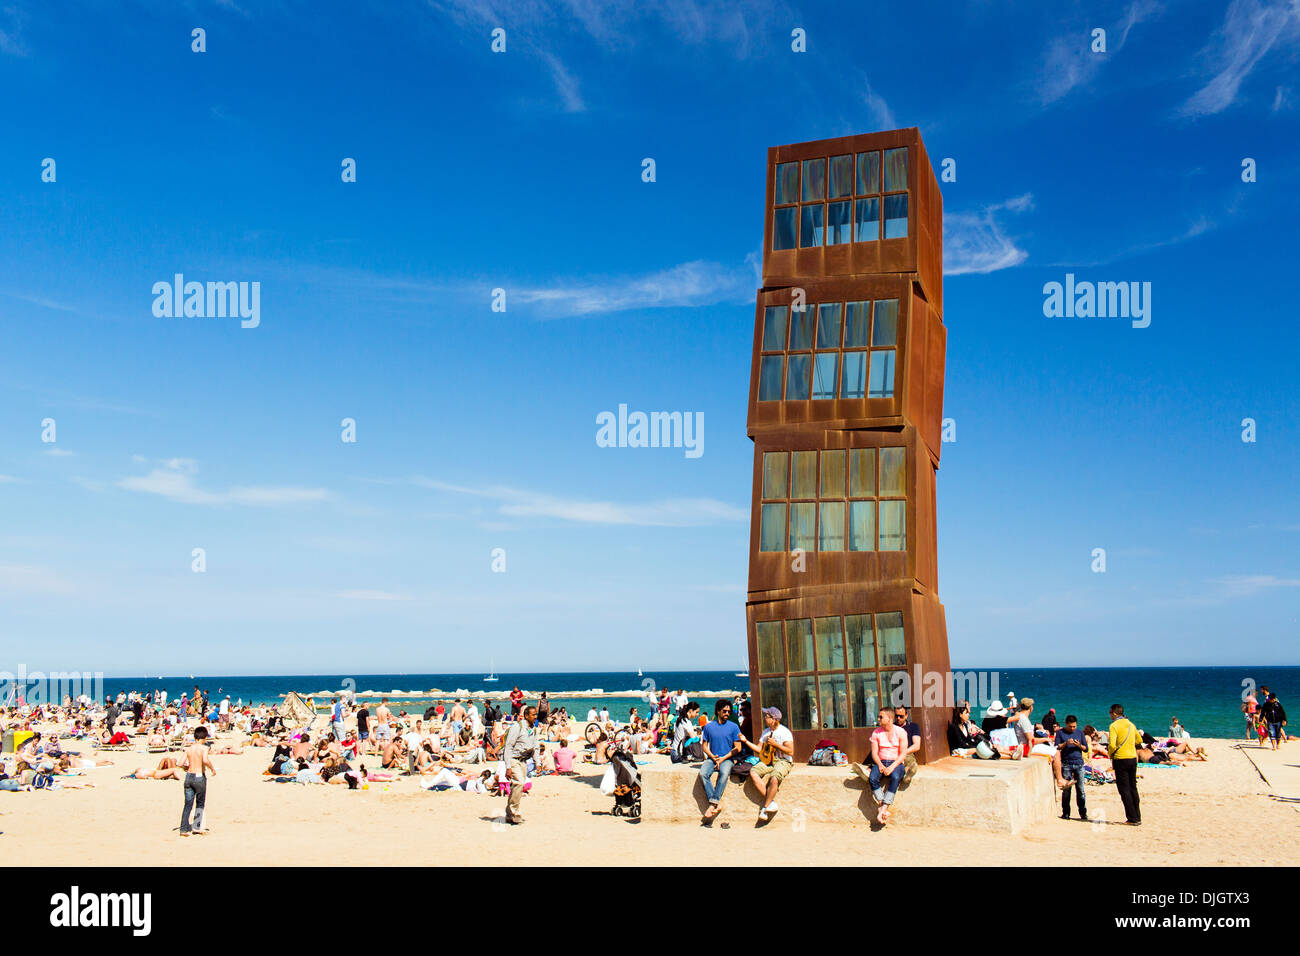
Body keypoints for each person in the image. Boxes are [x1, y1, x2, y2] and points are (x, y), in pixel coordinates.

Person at [854, 707, 908, 824]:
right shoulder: (876, 732)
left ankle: (883, 808)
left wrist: (892, 767)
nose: (878, 719)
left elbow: (903, 753)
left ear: (889, 718)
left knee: (895, 777)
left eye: (881, 717)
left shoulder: (901, 732)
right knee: (872, 778)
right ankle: (882, 803)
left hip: (896, 762)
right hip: (881, 761)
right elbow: (874, 753)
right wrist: (880, 765)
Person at [740, 706, 794, 822]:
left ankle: (765, 808)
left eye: (767, 716)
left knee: (774, 778)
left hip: (783, 761)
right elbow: (759, 749)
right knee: (753, 772)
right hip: (768, 760)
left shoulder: (784, 732)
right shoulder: (765, 732)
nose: (765, 718)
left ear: (774, 719)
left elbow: (791, 751)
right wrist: (746, 741)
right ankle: (771, 802)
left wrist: (776, 745)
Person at [698, 699, 741, 823]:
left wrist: (723, 758)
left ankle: (713, 804)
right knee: (703, 774)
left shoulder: (734, 727)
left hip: (727, 758)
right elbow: (704, 746)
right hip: (713, 758)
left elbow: (738, 748)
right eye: (724, 711)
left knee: (724, 774)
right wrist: (713, 757)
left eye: (729, 711)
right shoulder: (709, 727)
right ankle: (716, 803)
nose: (727, 713)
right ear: (718, 711)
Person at [503, 705, 538, 824]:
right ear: (526, 715)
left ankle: (509, 813)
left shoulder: (533, 729)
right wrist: (507, 767)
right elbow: (508, 746)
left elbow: (535, 747)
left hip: (524, 761)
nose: (535, 717)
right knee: (519, 783)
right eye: (533, 714)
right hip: (514, 759)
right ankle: (515, 813)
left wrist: (537, 762)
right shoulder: (517, 727)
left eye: (536, 714)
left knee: (518, 787)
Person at [1107, 703, 1141, 825]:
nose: (1110, 715)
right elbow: (1139, 740)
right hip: (1132, 757)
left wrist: (1110, 753)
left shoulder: (1114, 726)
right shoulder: (1131, 724)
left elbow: (1112, 744)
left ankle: (1132, 818)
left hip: (1120, 758)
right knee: (1133, 787)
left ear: (1115, 713)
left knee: (1124, 789)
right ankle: (1137, 816)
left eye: (1110, 713)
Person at [180, 725, 216, 836]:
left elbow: (180, 763)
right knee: (200, 803)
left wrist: (186, 768)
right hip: (199, 775)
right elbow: (205, 760)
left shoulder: (189, 748)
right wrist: (212, 769)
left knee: (188, 804)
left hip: (189, 775)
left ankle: (184, 828)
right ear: (204, 738)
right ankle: (196, 826)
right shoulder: (204, 748)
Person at [1054, 714, 1088, 820]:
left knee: (1081, 790)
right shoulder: (1060, 732)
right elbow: (1056, 746)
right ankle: (1066, 813)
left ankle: (1083, 813)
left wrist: (1078, 745)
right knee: (1067, 790)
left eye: (1074, 726)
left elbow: (1085, 748)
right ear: (1066, 724)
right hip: (1066, 763)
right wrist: (1065, 744)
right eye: (1070, 727)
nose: (1072, 729)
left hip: (1079, 763)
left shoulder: (1080, 733)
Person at [894, 704, 922, 782]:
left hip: (907, 752)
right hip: (892, 752)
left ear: (906, 715)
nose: (898, 718)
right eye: (896, 716)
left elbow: (917, 745)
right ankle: (868, 772)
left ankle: (907, 774)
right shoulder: (891, 727)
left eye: (901, 716)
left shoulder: (913, 726)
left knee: (909, 761)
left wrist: (903, 752)